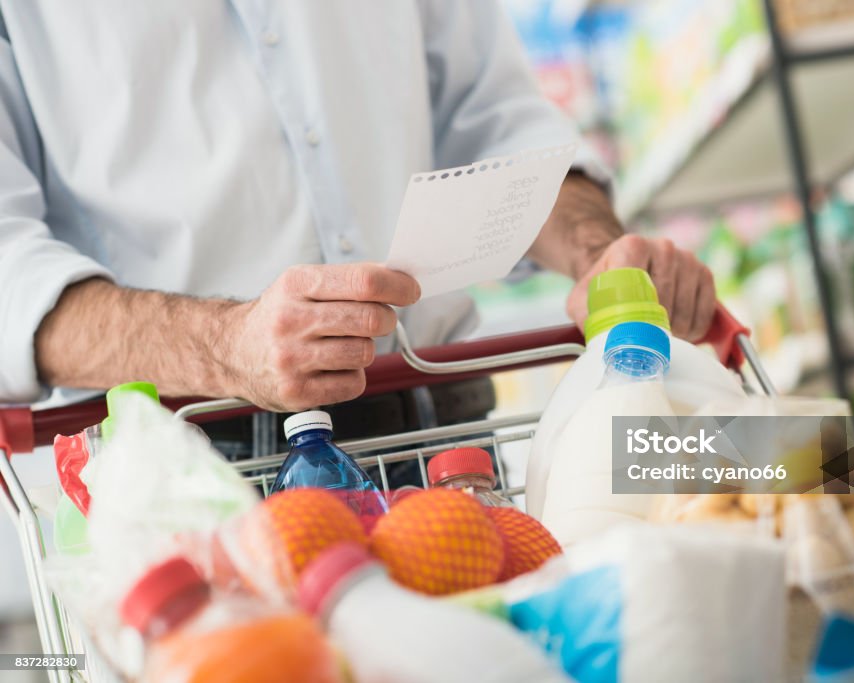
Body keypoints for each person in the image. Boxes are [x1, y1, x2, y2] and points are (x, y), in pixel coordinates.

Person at [0, 2, 716, 414]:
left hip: (442, 418)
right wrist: (227, 348)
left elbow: (491, 117)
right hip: (190, 471)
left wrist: (600, 256)